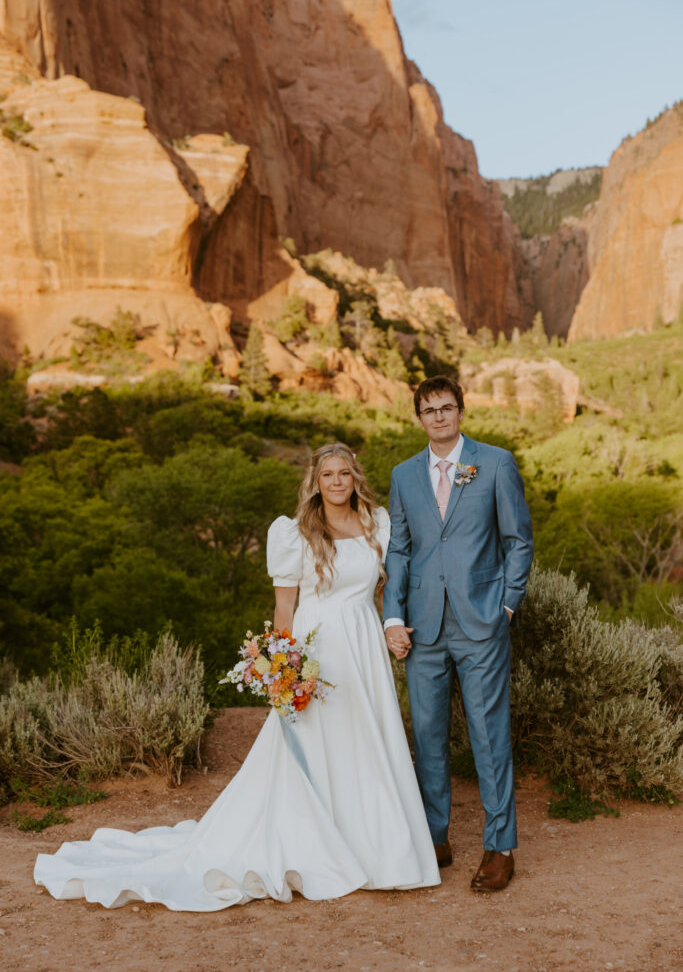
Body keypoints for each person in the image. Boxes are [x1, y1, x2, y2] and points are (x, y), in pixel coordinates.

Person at [34, 443, 440, 910]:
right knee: (315, 744)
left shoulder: (377, 525)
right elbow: (285, 606)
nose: (335, 482)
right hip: (317, 647)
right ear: (315, 481)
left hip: (362, 644)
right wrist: (284, 667)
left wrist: (394, 623)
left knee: (367, 741)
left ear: (355, 478)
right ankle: (318, 845)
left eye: (343, 473)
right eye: (327, 474)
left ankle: (378, 849)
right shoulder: (295, 534)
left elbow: (394, 584)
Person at [383, 375, 533, 892]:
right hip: (423, 626)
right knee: (426, 736)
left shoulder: (494, 463)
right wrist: (393, 616)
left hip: (482, 622)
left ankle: (499, 847)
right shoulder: (403, 475)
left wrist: (507, 607)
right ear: (419, 418)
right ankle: (435, 837)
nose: (439, 417)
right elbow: (398, 551)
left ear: (462, 412)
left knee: (489, 735)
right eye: (430, 410)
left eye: (448, 408)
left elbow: (518, 541)